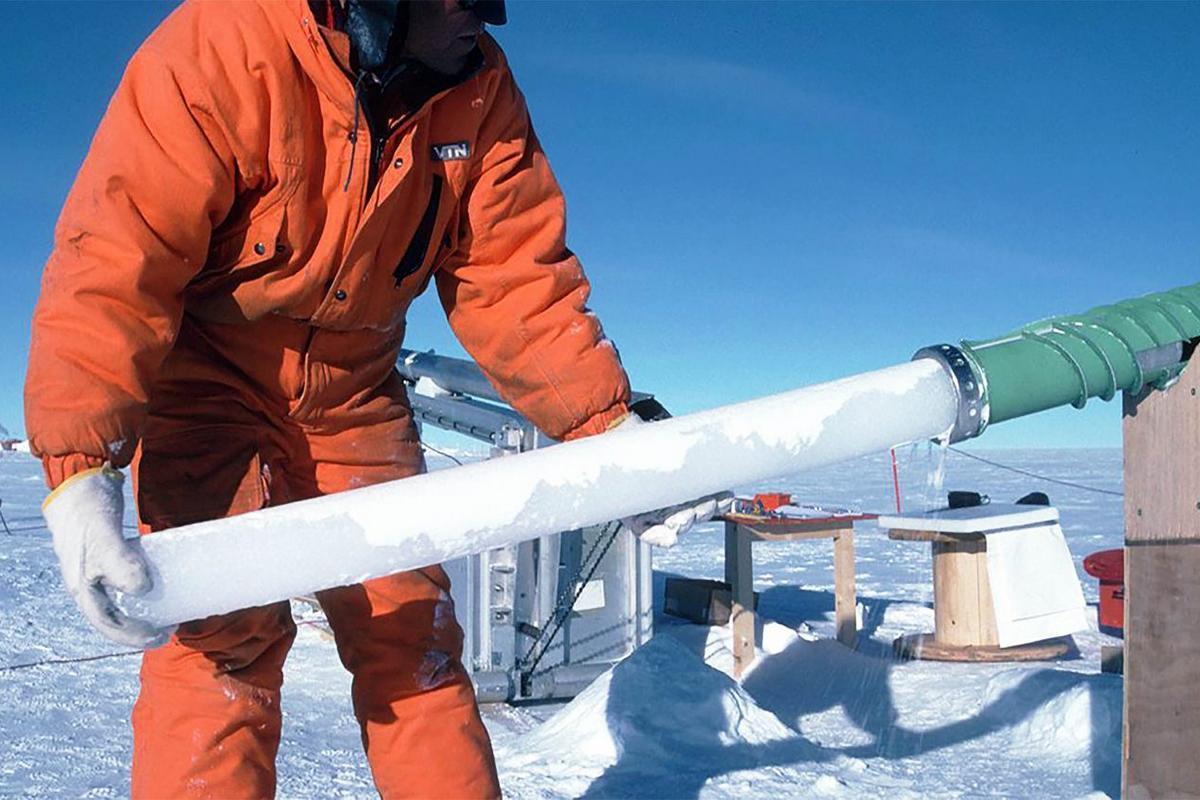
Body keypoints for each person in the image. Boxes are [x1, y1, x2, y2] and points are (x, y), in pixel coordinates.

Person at [25, 1, 726, 797]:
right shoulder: (221, 45)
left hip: (355, 399)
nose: (492, 16)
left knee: (413, 644)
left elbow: (514, 279)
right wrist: (80, 468)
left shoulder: (479, 92)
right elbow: (116, 258)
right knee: (220, 647)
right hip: (208, 386)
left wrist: (607, 428)